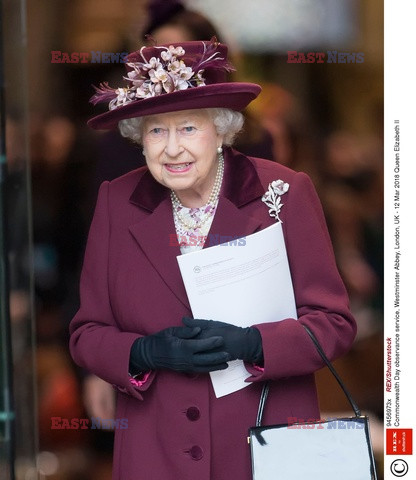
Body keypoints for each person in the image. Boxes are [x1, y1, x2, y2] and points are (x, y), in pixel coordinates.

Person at [69, 39, 356, 480]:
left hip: (263, 446)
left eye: (188, 128)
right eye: (156, 131)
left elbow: (333, 324)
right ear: (139, 138)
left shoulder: (282, 193)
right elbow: (87, 333)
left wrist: (255, 344)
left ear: (221, 130)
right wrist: (142, 352)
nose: (171, 149)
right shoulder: (117, 201)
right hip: (156, 453)